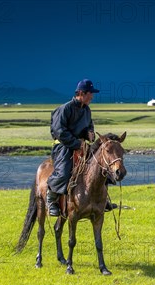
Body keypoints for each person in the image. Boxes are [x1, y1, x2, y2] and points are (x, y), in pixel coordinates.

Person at [47, 79, 115, 216]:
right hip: (63, 146)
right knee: (64, 170)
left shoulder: (87, 110)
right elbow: (59, 131)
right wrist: (77, 144)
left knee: (101, 167)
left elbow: (89, 126)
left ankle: (102, 199)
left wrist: (90, 134)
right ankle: (51, 198)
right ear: (81, 93)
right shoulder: (65, 109)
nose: (92, 97)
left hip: (82, 145)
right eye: (90, 94)